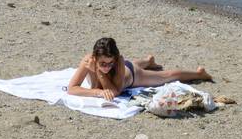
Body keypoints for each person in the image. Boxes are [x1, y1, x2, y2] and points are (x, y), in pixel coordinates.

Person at [68, 36, 211, 100]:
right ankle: (148, 60)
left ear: (115, 59)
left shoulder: (118, 62)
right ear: (94, 58)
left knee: (166, 76)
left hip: (132, 75)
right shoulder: (88, 60)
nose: (106, 67)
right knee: (139, 62)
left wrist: (99, 71)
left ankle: (199, 74)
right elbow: (72, 88)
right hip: (128, 66)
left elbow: (115, 91)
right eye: (102, 63)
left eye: (109, 63)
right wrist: (98, 92)